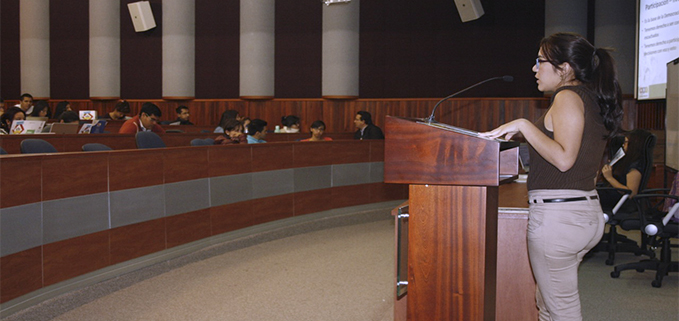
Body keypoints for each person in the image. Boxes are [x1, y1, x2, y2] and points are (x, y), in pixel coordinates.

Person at [479, 33, 623, 321]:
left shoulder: (567, 97)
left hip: (559, 218)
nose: (534, 69)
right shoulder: (590, 99)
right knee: (547, 303)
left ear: (565, 68)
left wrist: (523, 125)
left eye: (540, 61)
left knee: (562, 311)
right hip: (580, 212)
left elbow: (564, 158)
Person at [598, 129, 653, 212]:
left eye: (626, 142)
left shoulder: (636, 165)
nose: (623, 145)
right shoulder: (627, 160)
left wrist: (610, 178)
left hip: (621, 202)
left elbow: (630, 193)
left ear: (634, 145)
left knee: (590, 197)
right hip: (612, 194)